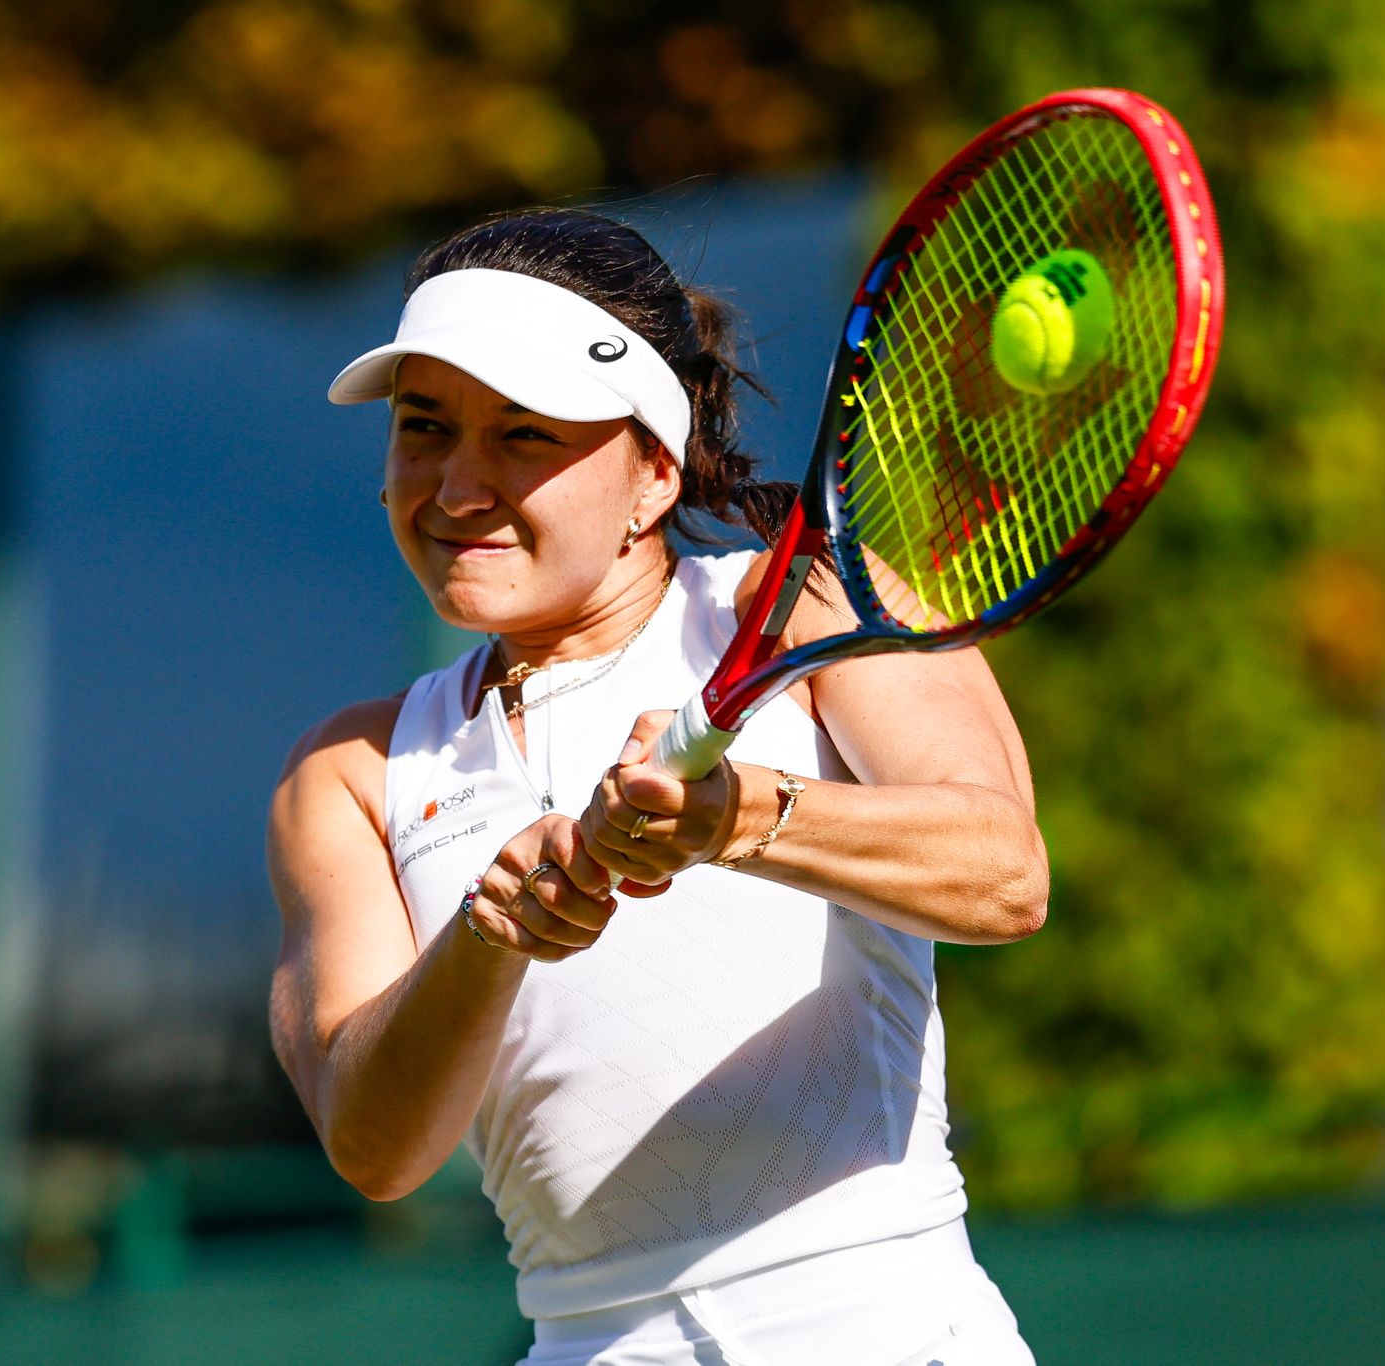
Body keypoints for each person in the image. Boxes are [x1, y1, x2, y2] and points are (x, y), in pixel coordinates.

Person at [268, 207, 1048, 1365]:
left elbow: (1003, 873)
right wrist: (490, 930)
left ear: (651, 473)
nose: (458, 487)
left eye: (523, 436)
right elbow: (373, 1146)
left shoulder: (807, 604)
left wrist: (742, 817)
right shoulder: (347, 771)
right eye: (424, 427)